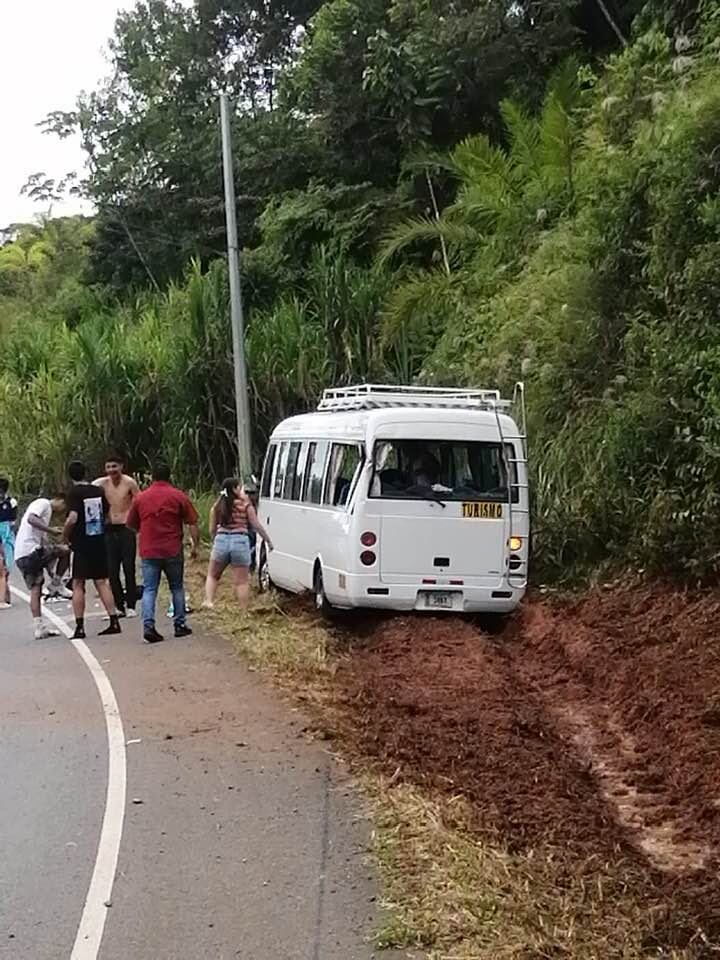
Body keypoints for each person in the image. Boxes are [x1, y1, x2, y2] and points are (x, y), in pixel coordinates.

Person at [126, 462, 199, 644]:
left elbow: (131, 525)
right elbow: (192, 522)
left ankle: (148, 626)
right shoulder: (178, 496)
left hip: (149, 550)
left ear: (153, 476)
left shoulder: (141, 498)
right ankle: (180, 624)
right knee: (177, 587)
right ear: (169, 476)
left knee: (150, 589)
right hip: (172, 548)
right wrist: (195, 546)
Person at [63, 460, 122, 640]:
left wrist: (65, 535)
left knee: (78, 583)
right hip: (98, 540)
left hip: (81, 543)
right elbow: (107, 515)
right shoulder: (97, 490)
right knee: (101, 581)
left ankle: (80, 626)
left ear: (71, 476)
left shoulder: (74, 493)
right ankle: (114, 620)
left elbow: (72, 518)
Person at [203, 478, 273, 610]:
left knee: (213, 575)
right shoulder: (245, 505)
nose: (243, 490)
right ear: (235, 489)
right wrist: (268, 540)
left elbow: (212, 528)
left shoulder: (219, 505)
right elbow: (255, 525)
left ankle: (209, 601)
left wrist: (214, 539)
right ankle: (243, 609)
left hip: (221, 540)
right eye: (240, 487)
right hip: (240, 541)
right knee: (242, 581)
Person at [14, 494, 71, 638]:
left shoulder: (45, 513)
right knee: (65, 550)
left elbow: (45, 547)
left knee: (36, 588)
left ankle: (39, 627)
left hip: (22, 555)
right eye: (64, 506)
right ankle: (57, 584)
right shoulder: (43, 503)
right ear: (59, 499)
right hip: (30, 551)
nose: (62, 511)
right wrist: (51, 530)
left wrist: (52, 572)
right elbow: (31, 519)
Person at [94, 454, 140, 618]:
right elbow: (89, 490)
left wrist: (138, 525)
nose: (112, 470)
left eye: (115, 466)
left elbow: (139, 501)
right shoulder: (101, 484)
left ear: (121, 466)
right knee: (112, 570)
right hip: (109, 528)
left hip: (126, 527)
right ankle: (119, 605)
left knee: (129, 567)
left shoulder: (129, 483)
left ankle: (131, 604)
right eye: (109, 467)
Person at [0, 477, 18, 609]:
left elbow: (13, 522)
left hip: (7, 534)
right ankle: (4, 595)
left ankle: (6, 594)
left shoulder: (11, 502)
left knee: (8, 564)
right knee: (1, 567)